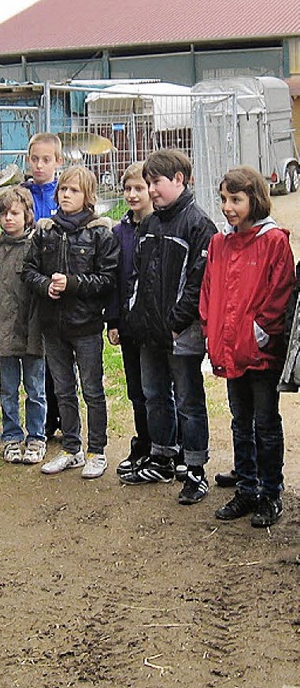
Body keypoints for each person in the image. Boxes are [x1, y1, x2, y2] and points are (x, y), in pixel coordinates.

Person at [120, 149, 217, 505]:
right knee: (153, 395)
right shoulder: (149, 223)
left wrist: (176, 322)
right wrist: (135, 314)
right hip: (148, 331)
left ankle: (195, 469)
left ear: (179, 179)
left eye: (156, 182)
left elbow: (199, 282)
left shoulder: (199, 225)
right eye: (147, 183)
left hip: (180, 333)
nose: (151, 190)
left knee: (189, 400)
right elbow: (136, 275)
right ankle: (162, 455)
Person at [200, 166, 295, 527]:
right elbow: (209, 291)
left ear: (254, 200)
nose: (227, 207)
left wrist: (259, 331)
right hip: (229, 347)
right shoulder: (220, 243)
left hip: (259, 350)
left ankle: (271, 492)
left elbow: (280, 292)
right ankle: (247, 486)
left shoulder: (273, 241)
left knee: (265, 422)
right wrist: (212, 330)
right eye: (224, 199)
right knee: (240, 421)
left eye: (235, 200)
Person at [23, 165, 119, 479]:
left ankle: (97, 451)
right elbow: (29, 270)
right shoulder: (45, 230)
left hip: (86, 325)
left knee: (92, 391)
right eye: (63, 189)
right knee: (63, 390)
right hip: (53, 325)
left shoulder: (100, 232)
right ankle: (71, 449)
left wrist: (74, 283)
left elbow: (108, 279)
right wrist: (44, 285)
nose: (66, 195)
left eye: (74, 190)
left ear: (87, 196)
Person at [0, 187, 47, 464]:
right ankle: (12, 437)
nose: (8, 219)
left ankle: (37, 437)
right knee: (7, 389)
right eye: (3, 214)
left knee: (35, 388)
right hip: (2, 333)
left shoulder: (37, 247)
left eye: (14, 213)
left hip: (31, 332)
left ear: (27, 215)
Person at [105, 162, 153, 476]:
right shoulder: (118, 232)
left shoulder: (159, 227)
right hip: (127, 323)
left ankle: (167, 446)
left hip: (155, 325)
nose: (132, 195)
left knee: (159, 391)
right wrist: (112, 321)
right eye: (128, 189)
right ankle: (144, 443)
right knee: (135, 390)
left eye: (139, 188)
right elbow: (112, 278)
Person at [22, 132, 64, 442]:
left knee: (62, 355)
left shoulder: (64, 193)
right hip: (32, 284)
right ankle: (45, 419)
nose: (39, 165)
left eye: (46, 160)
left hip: (62, 286)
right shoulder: (22, 194)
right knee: (38, 354)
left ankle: (65, 412)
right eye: (35, 159)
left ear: (57, 162)